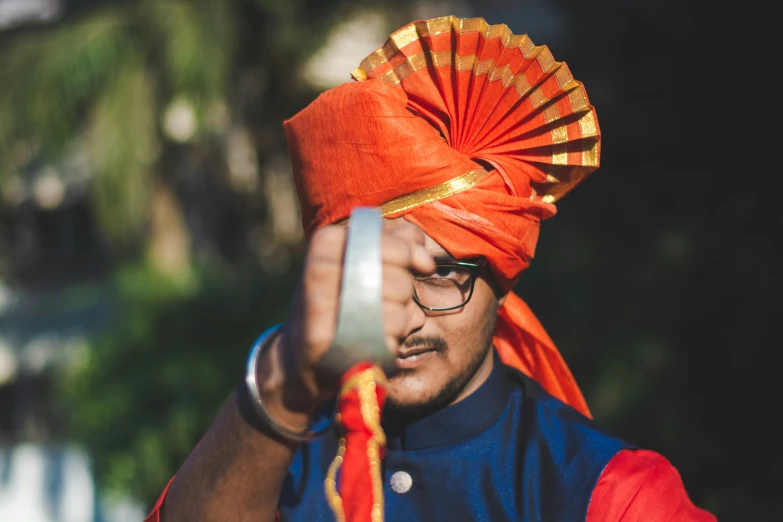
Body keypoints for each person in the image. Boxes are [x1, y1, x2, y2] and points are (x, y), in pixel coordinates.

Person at [145, 15, 716, 522]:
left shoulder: (614, 495)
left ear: (500, 273)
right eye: (376, 278)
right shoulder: (268, 457)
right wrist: (283, 374)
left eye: (442, 273)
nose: (405, 319)